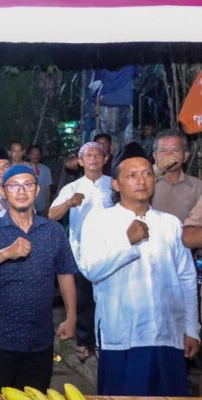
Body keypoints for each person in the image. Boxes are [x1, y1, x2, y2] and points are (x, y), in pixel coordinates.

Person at [81, 142, 199, 396]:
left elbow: (186, 278)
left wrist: (192, 329)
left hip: (168, 335)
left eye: (147, 173)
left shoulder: (169, 223)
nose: (141, 180)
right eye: (132, 175)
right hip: (123, 337)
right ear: (116, 184)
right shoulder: (99, 221)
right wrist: (127, 242)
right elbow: (91, 269)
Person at [0, 165, 77, 393]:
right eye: (14, 186)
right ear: (3, 192)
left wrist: (71, 316)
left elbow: (65, 273)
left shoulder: (53, 231)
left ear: (37, 190)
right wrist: (6, 253)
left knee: (34, 396)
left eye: (28, 184)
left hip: (39, 338)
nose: (21, 191)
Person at [48, 142, 112, 362]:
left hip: (112, 251)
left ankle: (107, 342)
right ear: (81, 161)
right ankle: (85, 342)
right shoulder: (72, 187)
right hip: (81, 251)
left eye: (98, 154)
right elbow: (52, 215)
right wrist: (69, 203)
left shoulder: (114, 185)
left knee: (109, 297)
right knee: (84, 298)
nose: (93, 158)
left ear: (105, 159)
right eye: (88, 155)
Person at [150, 130, 202, 222]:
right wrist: (159, 168)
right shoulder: (146, 182)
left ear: (185, 156)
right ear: (155, 156)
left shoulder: (197, 186)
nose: (169, 154)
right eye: (163, 150)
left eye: (175, 150)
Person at [26, 145, 52, 216]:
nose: (36, 156)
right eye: (33, 154)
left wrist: (48, 204)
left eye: (38, 154)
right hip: (27, 206)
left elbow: (48, 188)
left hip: (42, 206)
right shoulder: (24, 168)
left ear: (40, 156)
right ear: (28, 156)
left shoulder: (46, 169)